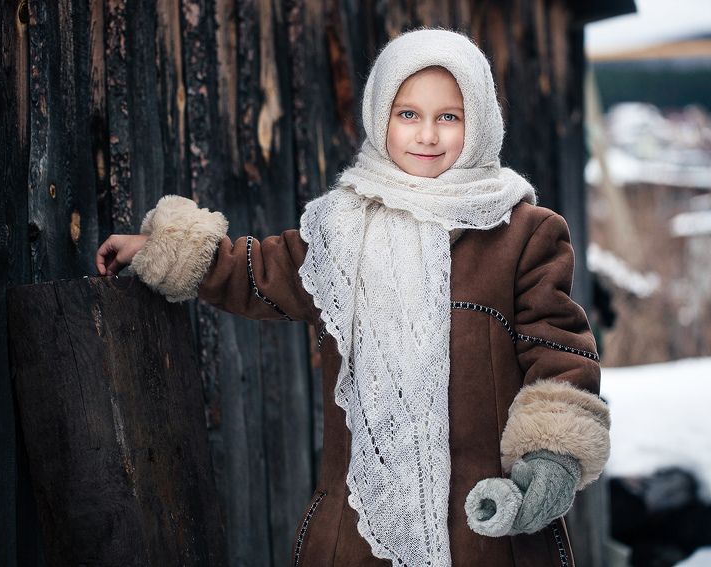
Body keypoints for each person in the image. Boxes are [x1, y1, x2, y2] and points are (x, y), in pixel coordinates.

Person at [95, 28, 610, 567]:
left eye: (449, 117)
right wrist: (162, 246)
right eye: (408, 114)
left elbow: (558, 351)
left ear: (479, 120)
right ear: (380, 116)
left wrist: (550, 461)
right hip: (361, 532)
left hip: (487, 528)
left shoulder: (524, 232)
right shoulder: (342, 229)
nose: (427, 135)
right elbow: (256, 272)